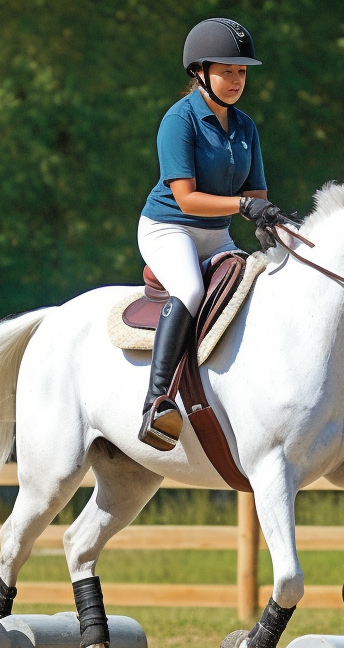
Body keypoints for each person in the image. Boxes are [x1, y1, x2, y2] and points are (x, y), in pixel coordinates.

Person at [136, 17, 298, 451]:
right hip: (168, 228)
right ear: (200, 72)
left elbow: (256, 194)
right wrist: (244, 206)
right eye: (227, 70)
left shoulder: (246, 127)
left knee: (256, 287)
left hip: (216, 234)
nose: (236, 79)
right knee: (189, 290)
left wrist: (272, 221)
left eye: (242, 71)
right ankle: (156, 402)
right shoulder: (179, 121)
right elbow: (187, 199)